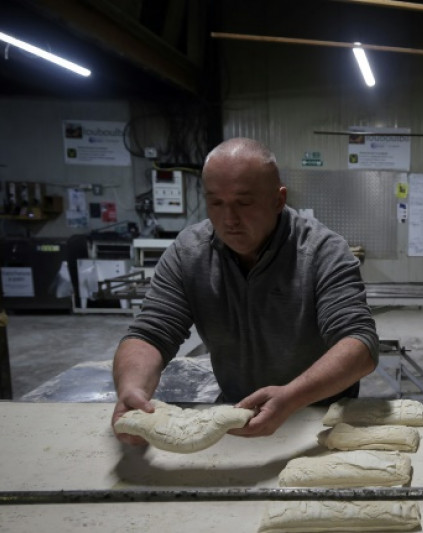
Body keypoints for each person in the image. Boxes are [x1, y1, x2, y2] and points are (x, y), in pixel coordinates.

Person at [112, 137, 379, 443]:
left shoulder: (322, 252)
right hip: (234, 411)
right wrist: (132, 388)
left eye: (244, 202)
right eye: (215, 202)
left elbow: (359, 344)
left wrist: (292, 397)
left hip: (322, 414)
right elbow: (150, 333)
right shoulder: (189, 254)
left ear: (278, 200)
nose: (229, 220)